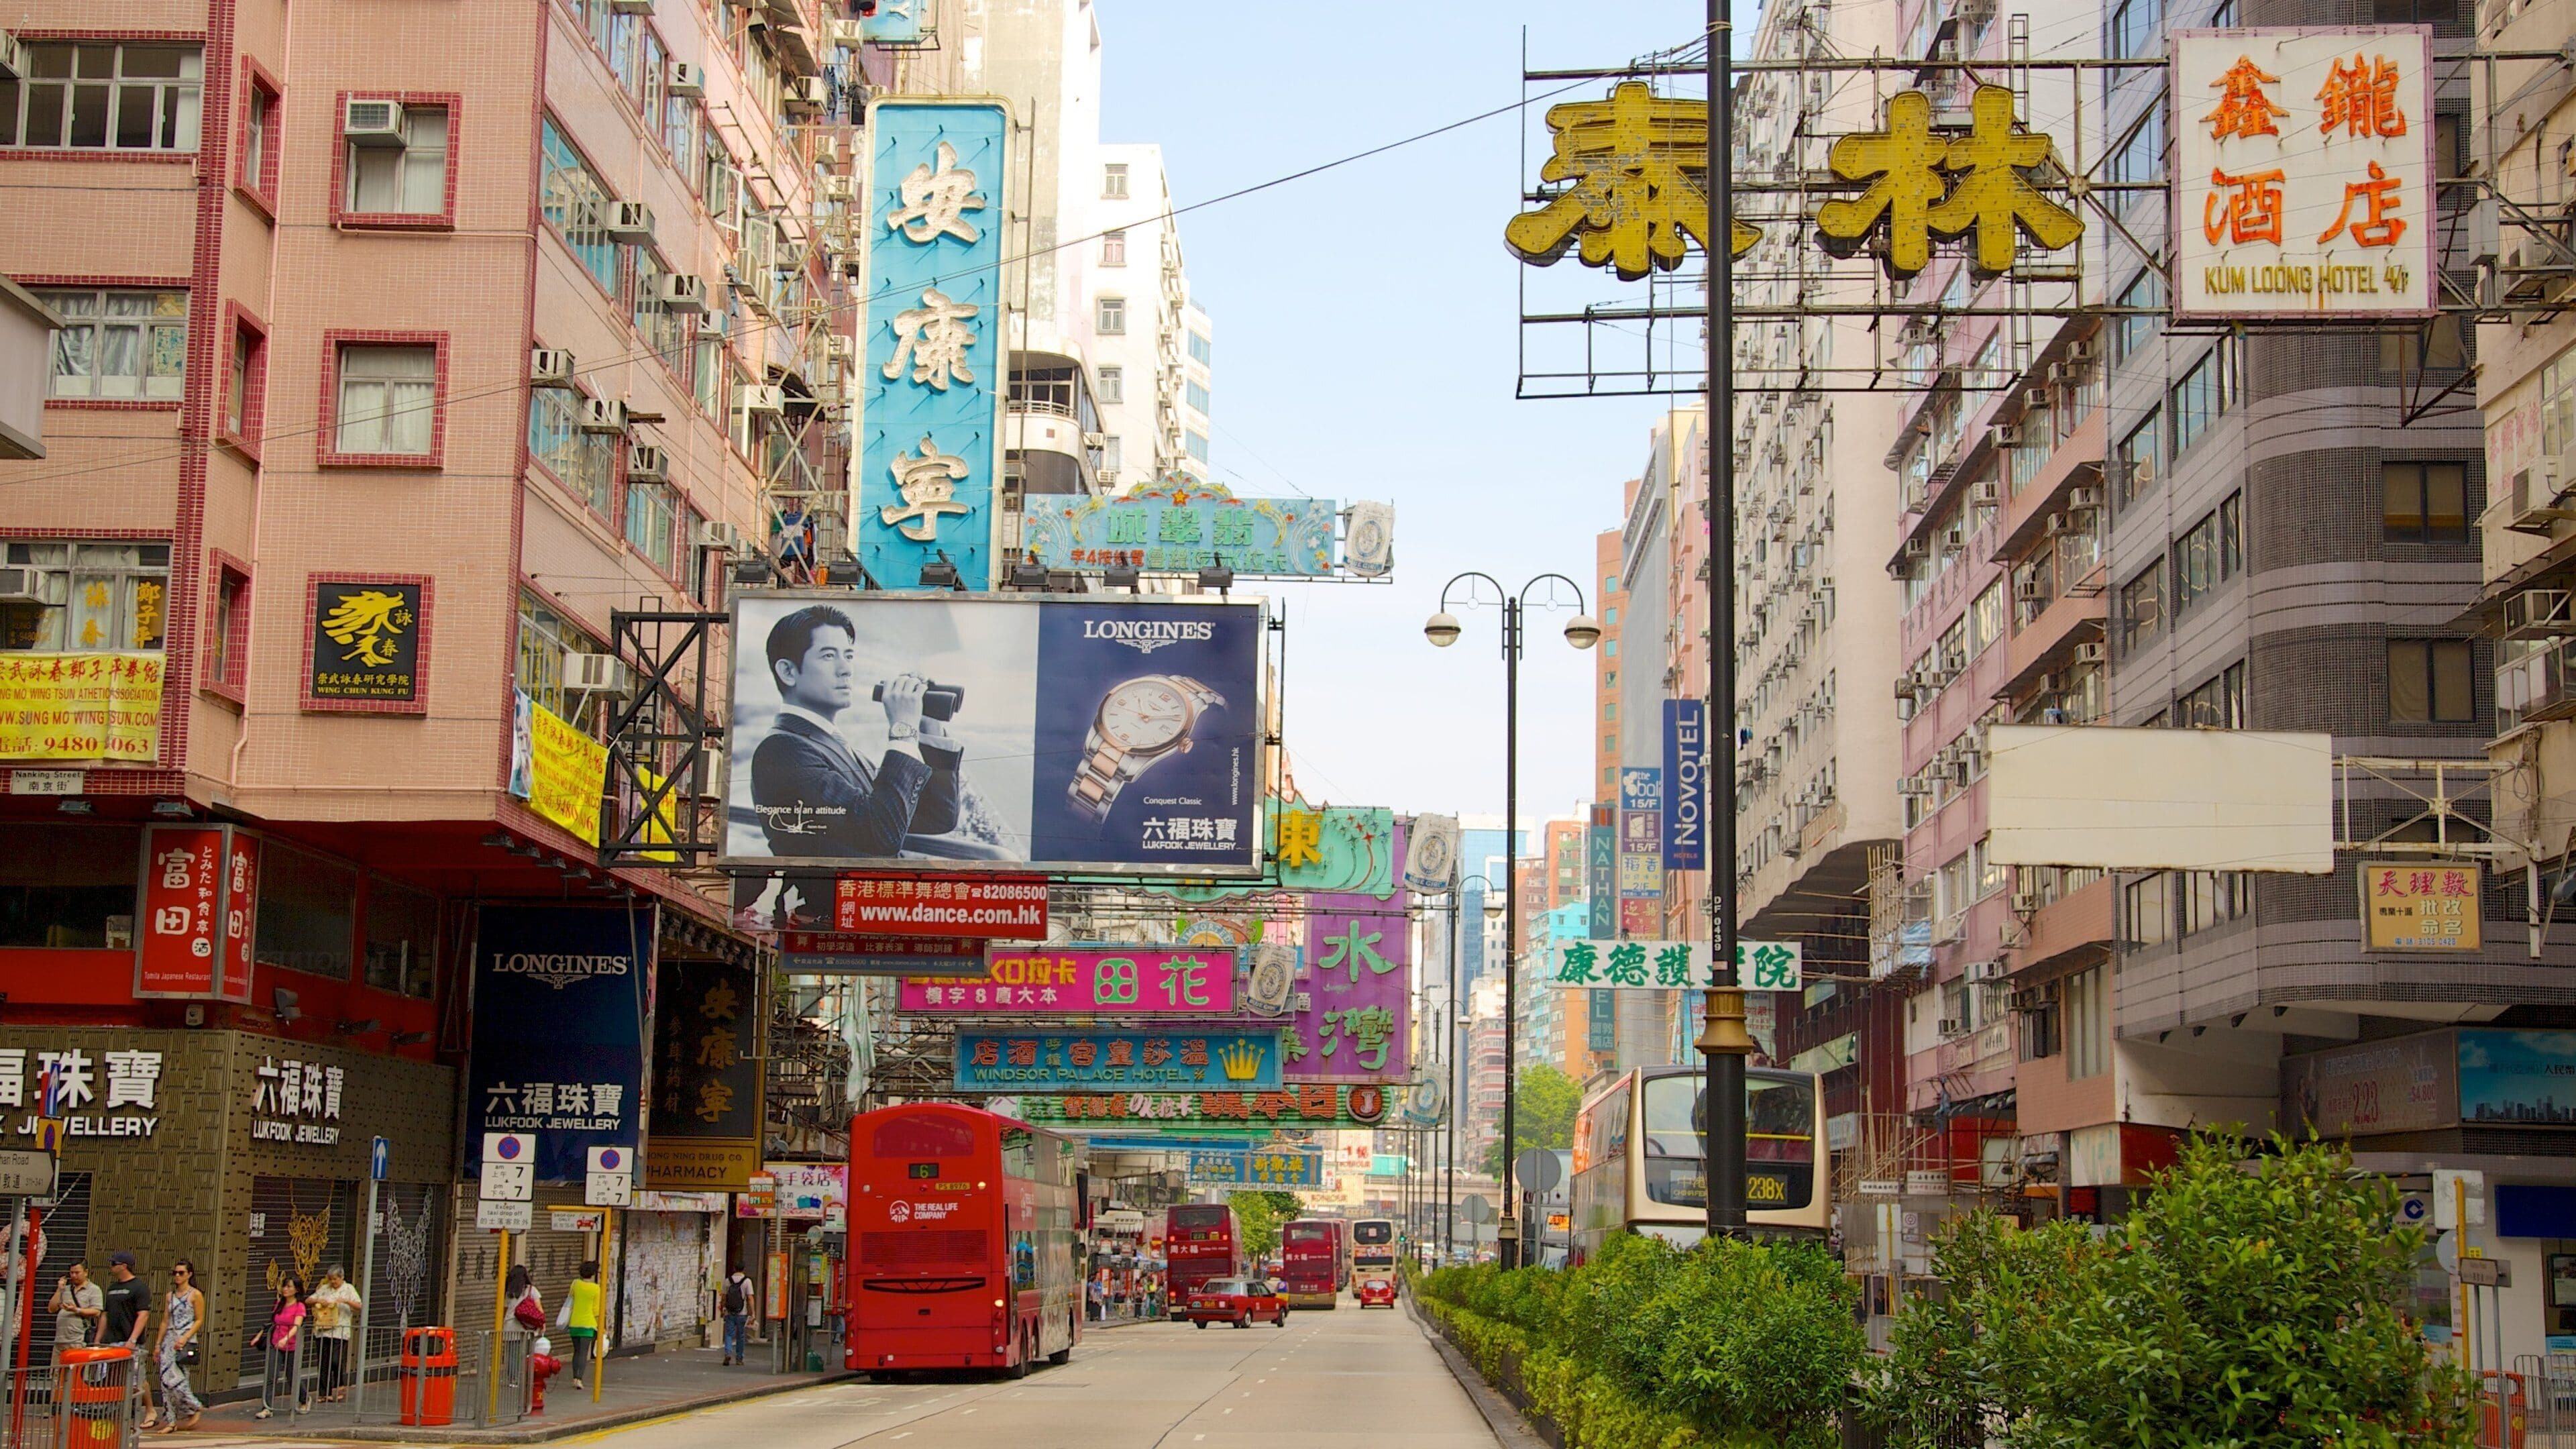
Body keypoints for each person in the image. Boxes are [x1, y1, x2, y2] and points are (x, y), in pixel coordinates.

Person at [747, 606, 963, 857]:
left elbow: (936, 817)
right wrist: (903, 731)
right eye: (828, 656)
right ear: (788, 671)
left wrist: (926, 723)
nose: (846, 669)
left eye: (848, 656)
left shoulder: (841, 750)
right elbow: (881, 834)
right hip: (832, 895)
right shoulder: (781, 750)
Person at [152, 1259, 204, 1434]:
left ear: (189, 1274)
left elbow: (199, 1319)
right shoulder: (170, 1296)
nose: (177, 1276)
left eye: (181, 1273)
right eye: (175, 1273)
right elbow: (165, 1320)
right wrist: (158, 1345)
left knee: (180, 1379)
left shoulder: (195, 1295)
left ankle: (193, 1406)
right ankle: (171, 1420)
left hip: (185, 1341)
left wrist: (186, 1337)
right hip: (169, 1340)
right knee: (166, 1381)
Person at [252, 1274, 306, 1419]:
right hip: (275, 1343)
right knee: (271, 1375)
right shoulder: (279, 1304)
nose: (285, 1289)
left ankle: (304, 1399)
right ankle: (267, 1407)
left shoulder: (299, 1306)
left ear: (296, 1290)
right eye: (285, 1286)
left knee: (292, 1376)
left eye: (289, 1286)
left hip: (292, 1345)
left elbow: (297, 1326)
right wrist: (259, 1336)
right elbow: (272, 1323)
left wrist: (286, 1338)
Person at [306, 1265, 362, 1403]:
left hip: (339, 1331)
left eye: (335, 1279)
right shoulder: (324, 1289)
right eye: (330, 1279)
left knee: (336, 1360)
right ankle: (325, 1392)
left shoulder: (348, 1289)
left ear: (342, 1278)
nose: (333, 1282)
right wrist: (319, 1300)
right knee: (323, 1362)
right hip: (322, 1330)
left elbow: (359, 1305)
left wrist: (346, 1301)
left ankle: (340, 1385)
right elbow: (308, 1300)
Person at [561, 1260, 602, 1391]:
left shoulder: (575, 1284)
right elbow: (596, 1310)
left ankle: (575, 1377)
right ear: (593, 1273)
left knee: (577, 1351)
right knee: (583, 1353)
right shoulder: (596, 1288)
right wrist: (601, 1326)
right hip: (588, 1324)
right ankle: (579, 1379)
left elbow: (571, 1298)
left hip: (574, 1322)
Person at [48, 1260, 101, 1357]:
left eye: (77, 1273)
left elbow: (97, 1312)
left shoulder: (94, 1290)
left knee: (73, 1371)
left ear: (86, 1272)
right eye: (71, 1273)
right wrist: (59, 1290)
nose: (74, 1276)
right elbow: (51, 1309)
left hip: (78, 1341)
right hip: (60, 1341)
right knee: (56, 1372)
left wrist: (75, 1310)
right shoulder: (66, 1289)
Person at [502, 1265, 541, 1389]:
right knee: (524, 1354)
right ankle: (523, 1377)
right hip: (526, 1327)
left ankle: (513, 1379)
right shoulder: (531, 1290)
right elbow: (539, 1308)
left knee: (511, 1354)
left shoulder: (509, 1291)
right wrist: (542, 1324)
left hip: (510, 1325)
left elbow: (504, 1308)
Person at [720, 1269, 751, 1366]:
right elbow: (750, 1298)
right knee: (740, 1336)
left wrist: (723, 1308)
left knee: (729, 1334)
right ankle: (739, 1358)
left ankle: (728, 1353)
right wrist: (753, 1312)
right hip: (742, 1312)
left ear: (734, 1269)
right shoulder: (747, 1281)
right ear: (743, 1269)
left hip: (730, 1312)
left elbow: (724, 1297)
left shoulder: (727, 1280)